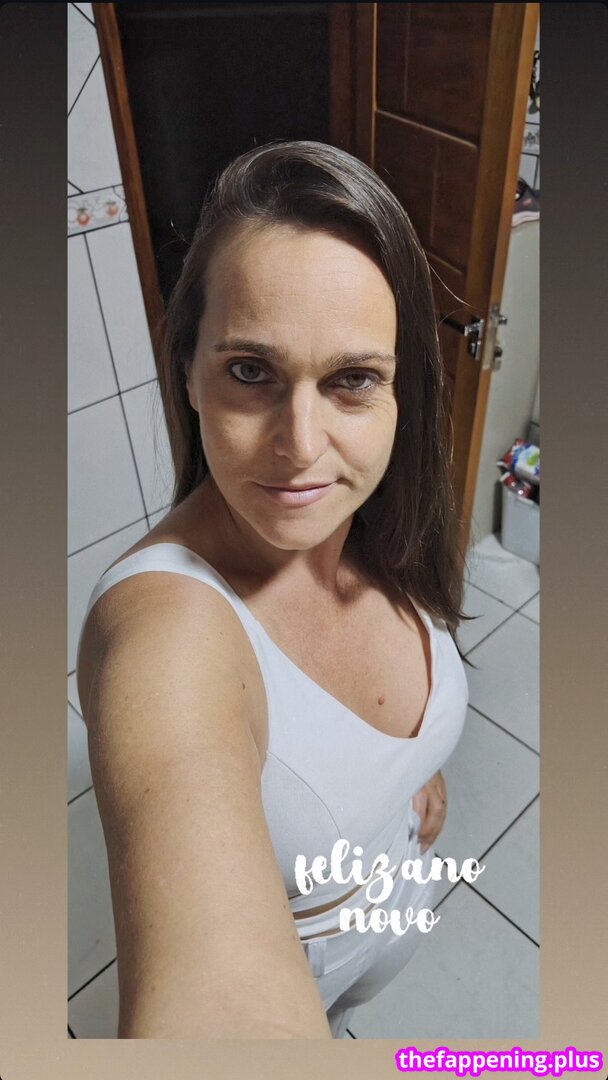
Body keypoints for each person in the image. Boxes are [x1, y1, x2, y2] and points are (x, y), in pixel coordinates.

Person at [76, 140, 471, 1040]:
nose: (300, 446)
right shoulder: (167, 635)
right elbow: (216, 1000)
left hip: (392, 905)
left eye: (352, 379)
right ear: (188, 372)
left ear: (400, 392)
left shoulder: (384, 521)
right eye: (251, 372)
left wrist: (413, 771)